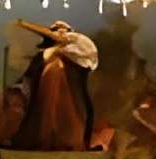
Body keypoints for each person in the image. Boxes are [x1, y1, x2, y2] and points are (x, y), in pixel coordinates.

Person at [12, 19, 98, 151]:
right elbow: (29, 76)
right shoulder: (43, 56)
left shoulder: (77, 54)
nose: (61, 32)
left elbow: (86, 66)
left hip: (71, 98)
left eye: (64, 29)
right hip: (43, 100)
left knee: (79, 117)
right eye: (57, 29)